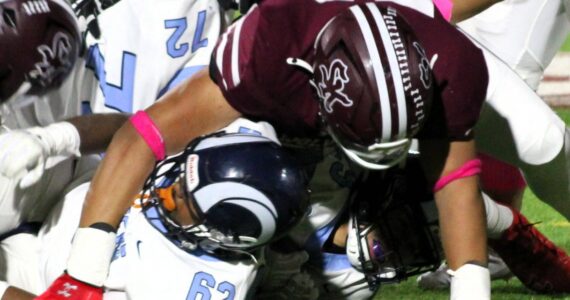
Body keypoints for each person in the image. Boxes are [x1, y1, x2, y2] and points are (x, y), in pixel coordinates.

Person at [29, 0, 570, 299]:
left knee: (541, 141)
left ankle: (503, 224)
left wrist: (469, 288)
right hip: (277, 119)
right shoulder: (272, 49)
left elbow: (454, 178)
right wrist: (83, 273)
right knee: (259, 189)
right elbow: (144, 133)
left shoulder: (448, 62)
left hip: (407, 32)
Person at [3, 126, 310, 299]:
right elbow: (133, 129)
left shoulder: (180, 290)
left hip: (37, 275)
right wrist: (56, 138)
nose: (167, 188)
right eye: (180, 177)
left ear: (220, 236)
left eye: (183, 199)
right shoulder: (247, 134)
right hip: (71, 183)